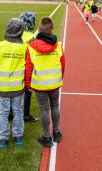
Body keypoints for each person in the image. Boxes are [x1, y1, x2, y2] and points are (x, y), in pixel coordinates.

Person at [25, 17, 65, 148]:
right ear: (51, 29)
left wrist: (28, 84)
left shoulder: (31, 46)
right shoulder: (58, 46)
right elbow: (62, 64)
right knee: (55, 106)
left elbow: (28, 67)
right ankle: (57, 133)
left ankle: (47, 137)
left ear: (39, 30)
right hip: (55, 83)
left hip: (40, 84)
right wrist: (60, 78)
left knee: (44, 109)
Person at [0, 18, 27, 148]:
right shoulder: (24, 47)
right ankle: (18, 137)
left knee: (3, 112)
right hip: (18, 86)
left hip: (3, 86)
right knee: (18, 111)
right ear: (21, 32)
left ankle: (3, 138)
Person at [20, 12, 39, 122]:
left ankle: (11, 113)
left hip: (16, 66)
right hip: (27, 68)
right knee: (27, 92)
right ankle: (26, 115)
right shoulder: (32, 37)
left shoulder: (18, 35)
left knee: (15, 92)